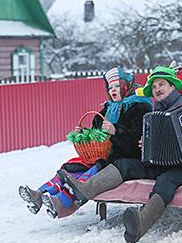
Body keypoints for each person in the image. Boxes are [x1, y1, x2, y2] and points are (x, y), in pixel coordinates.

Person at [58, 66, 182, 243]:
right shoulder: (153, 111)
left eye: (162, 85)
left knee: (166, 181)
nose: (157, 89)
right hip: (162, 163)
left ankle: (141, 223)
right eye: (154, 87)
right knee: (124, 165)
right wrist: (146, 143)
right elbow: (151, 138)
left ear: (172, 87)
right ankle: (85, 190)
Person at [18, 67, 152, 218]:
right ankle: (39, 194)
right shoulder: (107, 110)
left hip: (125, 159)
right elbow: (97, 135)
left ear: (126, 86)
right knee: (73, 165)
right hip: (104, 155)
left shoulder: (140, 108)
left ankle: (59, 201)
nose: (113, 90)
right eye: (110, 87)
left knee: (93, 169)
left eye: (117, 86)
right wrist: (84, 134)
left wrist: (116, 131)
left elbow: (138, 141)